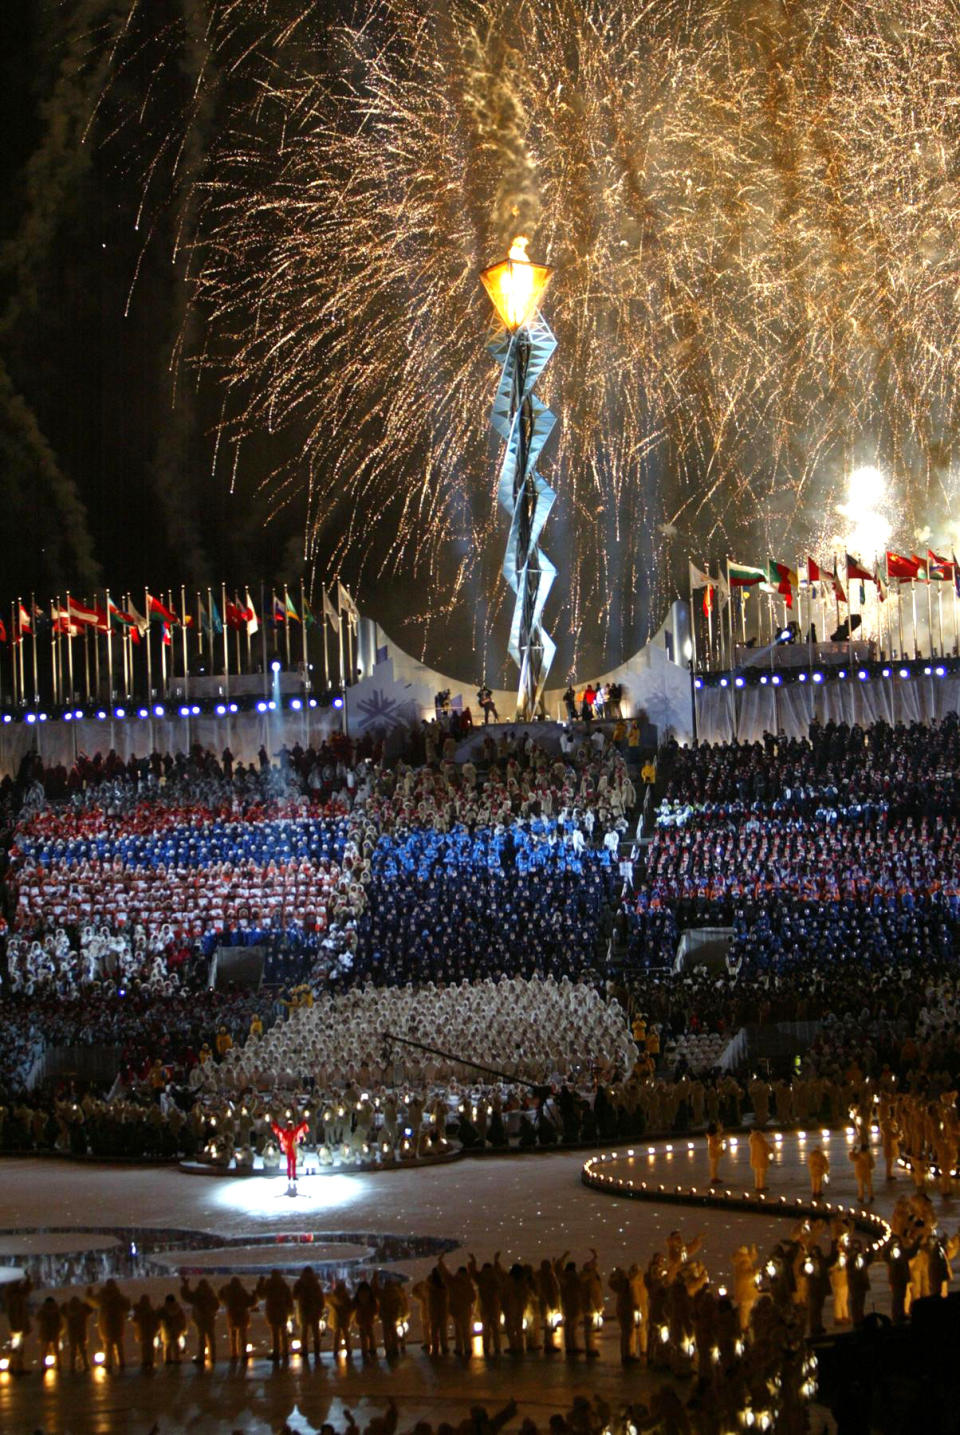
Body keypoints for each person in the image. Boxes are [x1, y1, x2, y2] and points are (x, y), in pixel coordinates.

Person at [180, 1277, 220, 1367]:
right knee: (209, 1338)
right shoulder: (209, 1294)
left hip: (202, 1319)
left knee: (204, 1338)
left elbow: (187, 1296)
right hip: (206, 1319)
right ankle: (212, 1356)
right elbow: (216, 1305)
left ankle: (204, 1356)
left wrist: (185, 1286)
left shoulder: (199, 1295)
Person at [219, 1276, 258, 1364]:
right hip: (242, 1316)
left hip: (232, 1315)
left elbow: (221, 1297)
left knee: (233, 1336)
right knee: (243, 1336)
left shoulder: (228, 1292)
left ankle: (234, 1353)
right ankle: (243, 1353)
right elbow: (249, 1302)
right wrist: (254, 1296)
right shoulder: (241, 1291)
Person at [292, 1266, 326, 1364]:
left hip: (304, 1310)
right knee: (316, 1332)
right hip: (315, 1310)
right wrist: (320, 1307)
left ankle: (305, 1350)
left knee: (304, 1332)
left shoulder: (300, 1283)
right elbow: (320, 1297)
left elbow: (294, 1295)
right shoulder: (315, 1283)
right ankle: (317, 1351)